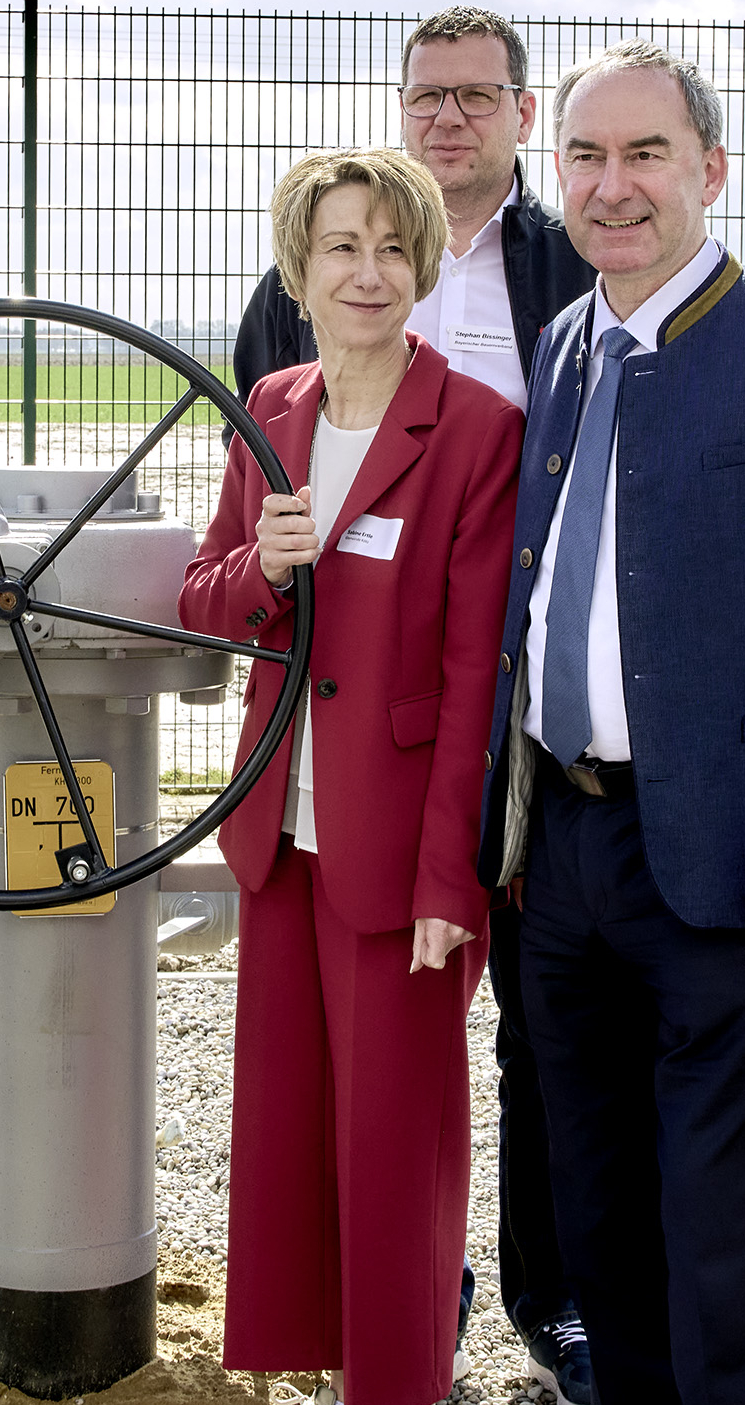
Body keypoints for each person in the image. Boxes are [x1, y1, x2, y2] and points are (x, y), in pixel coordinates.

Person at [476, 41, 745, 1404]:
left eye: (647, 154)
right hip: (566, 859)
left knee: (723, 1235)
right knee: (600, 1215)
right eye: (589, 158)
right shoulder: (565, 342)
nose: (615, 187)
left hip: (736, 866)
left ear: (710, 169)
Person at [231, 2, 602, 1405]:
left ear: (521, 114)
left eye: (477, 96)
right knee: (378, 1048)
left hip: (542, 695)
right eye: (427, 95)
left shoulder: (573, 260)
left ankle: (546, 1287)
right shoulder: (297, 313)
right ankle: (407, 1286)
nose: (449, 117)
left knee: (536, 1021)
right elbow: (250, 506)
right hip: (383, 709)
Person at [183, 147, 523, 1405]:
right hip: (281, 839)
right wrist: (262, 572)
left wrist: (453, 879)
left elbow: (477, 671)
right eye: (341, 247)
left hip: (399, 861)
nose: (367, 272)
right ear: (300, 268)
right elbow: (207, 606)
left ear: (423, 266)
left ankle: (398, 1385)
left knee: (396, 1150)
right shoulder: (269, 408)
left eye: (391, 248)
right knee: (286, 1137)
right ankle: (318, 1368)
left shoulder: (477, 427)